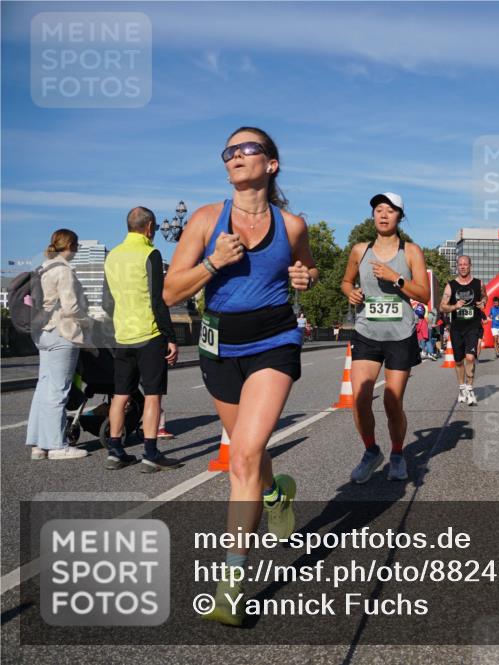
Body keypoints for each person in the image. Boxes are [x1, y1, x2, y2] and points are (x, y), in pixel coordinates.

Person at [164, 126, 318, 626]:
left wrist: (306, 277)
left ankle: (230, 585)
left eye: (247, 148)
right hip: (218, 347)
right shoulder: (208, 220)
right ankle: (276, 494)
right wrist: (213, 262)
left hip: (274, 340)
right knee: (250, 453)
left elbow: (307, 268)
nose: (235, 156)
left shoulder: (292, 224)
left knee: (244, 455)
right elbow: (169, 293)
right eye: (229, 151)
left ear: (271, 164)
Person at [342, 192, 429, 483]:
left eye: (390, 211)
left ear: (399, 217)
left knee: (392, 402)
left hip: (400, 333)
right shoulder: (359, 250)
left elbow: (424, 294)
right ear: (372, 216)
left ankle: (397, 454)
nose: (383, 214)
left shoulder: (412, 251)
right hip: (367, 332)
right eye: (378, 210)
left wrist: (397, 278)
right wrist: (350, 292)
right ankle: (370, 451)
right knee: (360, 399)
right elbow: (346, 281)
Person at [103, 207, 180, 472]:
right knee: (153, 395)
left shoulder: (112, 256)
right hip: (149, 334)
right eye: (156, 228)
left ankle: (115, 450)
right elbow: (158, 299)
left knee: (120, 395)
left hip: (122, 335)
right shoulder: (150, 253)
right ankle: (150, 453)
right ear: (148, 227)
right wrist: (170, 336)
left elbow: (106, 301)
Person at [25, 229, 91, 461]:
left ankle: (38, 444)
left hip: (41, 333)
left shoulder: (44, 268)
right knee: (58, 390)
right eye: (77, 246)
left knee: (44, 387)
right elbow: (72, 308)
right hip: (61, 333)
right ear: (71, 245)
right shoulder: (63, 271)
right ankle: (56, 445)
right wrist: (89, 320)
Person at [441, 255, 486, 405]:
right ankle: (462, 387)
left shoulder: (479, 284)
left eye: (465, 264)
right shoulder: (451, 285)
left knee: (471, 357)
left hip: (473, 326)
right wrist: (454, 306)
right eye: (460, 264)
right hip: (457, 328)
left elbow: (485, 297)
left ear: (470, 266)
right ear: (457, 266)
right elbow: (442, 306)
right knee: (459, 361)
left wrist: (482, 303)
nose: (462, 266)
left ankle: (470, 389)